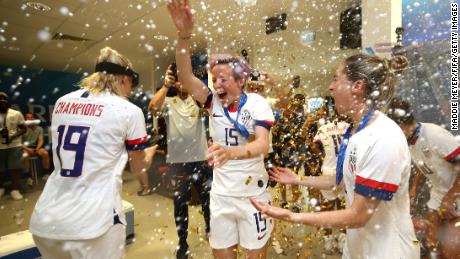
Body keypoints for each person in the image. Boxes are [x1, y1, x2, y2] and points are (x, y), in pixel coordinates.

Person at [252, 54, 421, 259]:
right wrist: (298, 179)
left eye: (335, 78)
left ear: (357, 86)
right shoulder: (356, 131)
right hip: (358, 247)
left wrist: (292, 216)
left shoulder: (382, 138)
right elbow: (341, 182)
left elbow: (359, 215)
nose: (331, 87)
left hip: (387, 252)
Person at [167, 1, 275, 258]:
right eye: (213, 79)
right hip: (222, 196)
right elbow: (185, 77)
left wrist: (232, 152)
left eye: (223, 79)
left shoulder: (258, 104)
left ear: (241, 81)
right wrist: (184, 36)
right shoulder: (212, 101)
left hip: (253, 195)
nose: (216, 84)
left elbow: (262, 145)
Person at [29, 47, 157, 259]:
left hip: (47, 220)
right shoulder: (129, 110)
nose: (130, 91)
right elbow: (139, 167)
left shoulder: (63, 102)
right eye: (130, 85)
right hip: (93, 224)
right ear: (124, 79)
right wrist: (149, 153)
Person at [149, 64, 211, 259]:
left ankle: (212, 230)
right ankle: (182, 243)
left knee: (208, 200)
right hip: (178, 164)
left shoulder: (198, 101)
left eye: (186, 77)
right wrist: (166, 86)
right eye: (179, 78)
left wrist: (193, 88)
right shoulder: (168, 101)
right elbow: (152, 108)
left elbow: (208, 106)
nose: (182, 82)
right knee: (180, 205)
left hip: (201, 161)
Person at [387, 98, 460, 258]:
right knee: (432, 240)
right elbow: (425, 164)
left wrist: (452, 194)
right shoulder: (409, 141)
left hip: (456, 191)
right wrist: (413, 187)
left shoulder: (434, 135)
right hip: (439, 194)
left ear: (401, 126)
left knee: (452, 249)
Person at [0, 92, 26, 200]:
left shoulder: (16, 113)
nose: (2, 101)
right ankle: (1, 188)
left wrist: (13, 137)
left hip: (14, 145)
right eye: (0, 99)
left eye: (4, 98)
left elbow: (24, 128)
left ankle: (15, 190)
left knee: (15, 168)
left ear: (8, 101)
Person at [22, 112, 51, 181]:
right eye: (27, 118)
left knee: (45, 153)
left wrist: (37, 149)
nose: (30, 119)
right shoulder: (22, 129)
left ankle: (46, 174)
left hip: (36, 147)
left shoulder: (39, 128)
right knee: (25, 154)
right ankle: (27, 176)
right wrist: (28, 149)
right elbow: (19, 143)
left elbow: (41, 140)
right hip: (25, 148)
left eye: (31, 117)